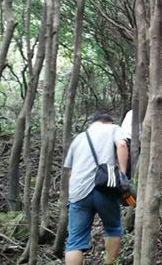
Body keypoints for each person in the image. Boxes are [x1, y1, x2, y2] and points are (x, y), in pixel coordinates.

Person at [63, 113, 128, 265]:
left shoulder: (78, 139)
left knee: (75, 241)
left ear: (92, 124)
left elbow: (70, 172)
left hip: (78, 193)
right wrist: (123, 175)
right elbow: (122, 145)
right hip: (104, 188)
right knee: (113, 229)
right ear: (108, 122)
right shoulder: (113, 128)